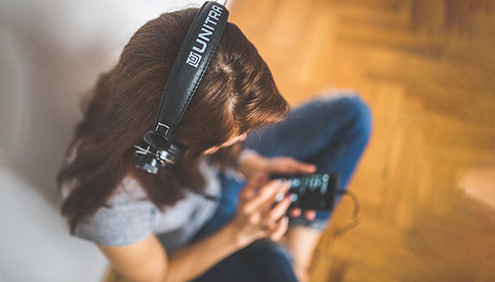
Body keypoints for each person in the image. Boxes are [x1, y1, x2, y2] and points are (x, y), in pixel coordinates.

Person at [57, 4, 372, 282]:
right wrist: (240, 232)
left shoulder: (149, 84)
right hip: (203, 238)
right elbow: (160, 276)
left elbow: (225, 143)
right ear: (165, 147)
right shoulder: (106, 204)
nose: (245, 139)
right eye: (228, 139)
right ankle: (282, 258)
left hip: (223, 177)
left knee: (352, 116)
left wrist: (244, 162)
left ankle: (296, 257)